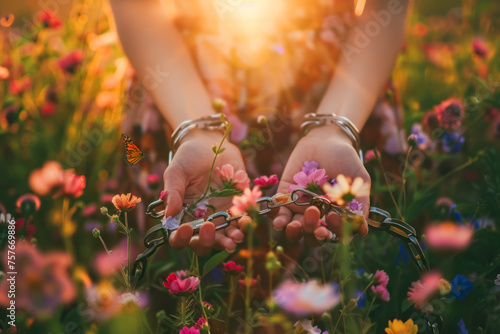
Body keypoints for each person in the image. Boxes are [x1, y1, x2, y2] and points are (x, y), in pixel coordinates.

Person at [109, 0, 410, 255]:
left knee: (349, 272)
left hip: (345, 83)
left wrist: (334, 128)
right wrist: (197, 130)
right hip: (177, 85)